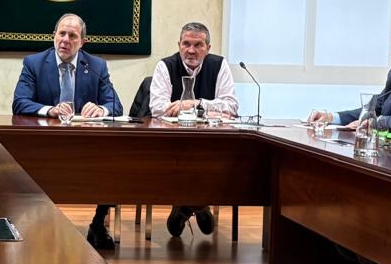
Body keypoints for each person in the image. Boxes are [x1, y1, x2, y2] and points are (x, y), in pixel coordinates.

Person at [12, 13, 122, 250]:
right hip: (44, 143)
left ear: (82, 42)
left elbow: (115, 105)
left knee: (112, 161)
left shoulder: (95, 66)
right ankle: (32, 224)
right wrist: (49, 110)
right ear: (54, 36)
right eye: (61, 33)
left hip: (85, 144)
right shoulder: (34, 63)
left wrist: (101, 109)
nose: (65, 40)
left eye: (72, 36)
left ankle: (99, 224)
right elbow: (20, 102)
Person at [148, 21, 238, 237]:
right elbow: (157, 108)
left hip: (211, 142)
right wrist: (211, 110)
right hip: (173, 143)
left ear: (208, 47)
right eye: (186, 44)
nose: (191, 50)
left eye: (198, 45)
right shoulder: (165, 66)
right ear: (179, 44)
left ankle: (185, 206)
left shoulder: (219, 65)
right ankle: (199, 205)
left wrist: (197, 104)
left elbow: (232, 107)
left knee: (214, 160)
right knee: (183, 160)